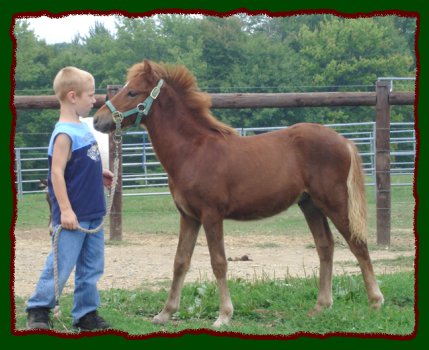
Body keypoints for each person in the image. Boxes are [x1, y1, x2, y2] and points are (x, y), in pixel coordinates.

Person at [25, 67, 113, 331]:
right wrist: (65, 210)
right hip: (72, 217)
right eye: (91, 94)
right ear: (73, 96)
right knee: (61, 265)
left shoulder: (82, 128)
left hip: (93, 212)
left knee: (91, 267)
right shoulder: (63, 133)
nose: (94, 99)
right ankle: (38, 308)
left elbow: (82, 163)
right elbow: (56, 173)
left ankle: (86, 314)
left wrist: (99, 173)